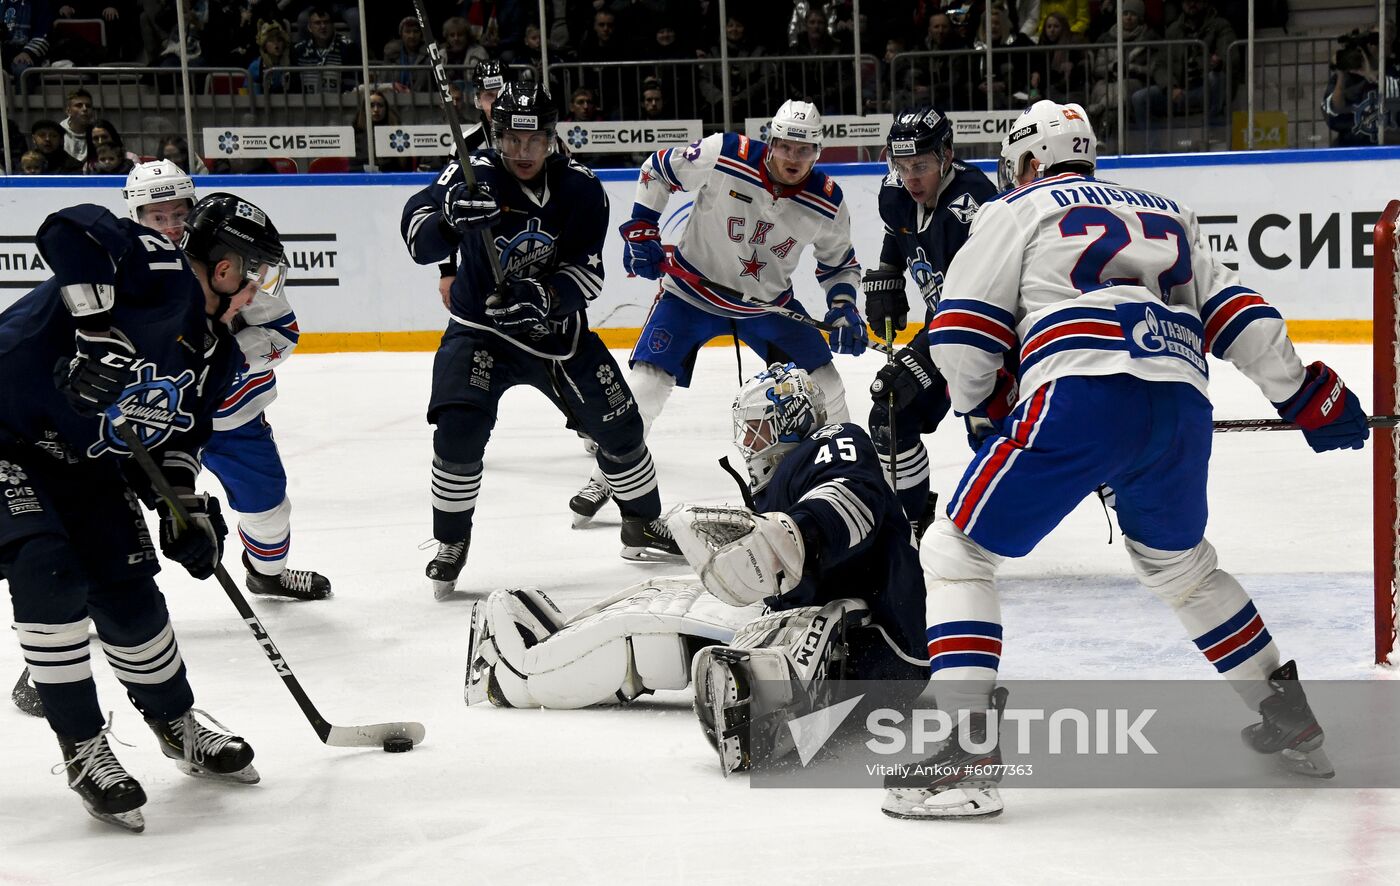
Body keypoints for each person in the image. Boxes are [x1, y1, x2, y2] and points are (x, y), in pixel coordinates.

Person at [877, 101, 1363, 820]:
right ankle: (1287, 714)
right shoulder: (1167, 210)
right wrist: (1304, 394)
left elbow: (963, 337)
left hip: (1078, 393)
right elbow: (1242, 319)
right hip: (1178, 405)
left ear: (1031, 161)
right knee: (1182, 567)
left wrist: (983, 408)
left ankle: (963, 754)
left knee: (957, 550)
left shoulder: (1015, 209)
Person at [465, 363, 928, 774]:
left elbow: (852, 499)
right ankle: (530, 663)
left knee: (822, 620)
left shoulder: (836, 441)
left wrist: (798, 534)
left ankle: (769, 708)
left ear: (789, 423)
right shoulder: (790, 473)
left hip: (887, 645)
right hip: (850, 632)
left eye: (757, 430)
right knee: (659, 607)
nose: (748, 443)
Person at [0, 191, 287, 831]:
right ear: (223, 267)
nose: (258, 291)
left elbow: (178, 439)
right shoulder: (152, 262)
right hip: (5, 437)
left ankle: (174, 721)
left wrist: (182, 505)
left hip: (83, 460)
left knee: (129, 588)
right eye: (256, 273)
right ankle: (81, 746)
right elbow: (67, 228)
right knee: (49, 569)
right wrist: (93, 331)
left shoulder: (213, 353)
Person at [400, 81, 683, 601]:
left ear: (552, 137)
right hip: (481, 332)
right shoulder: (470, 176)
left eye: (535, 140)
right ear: (495, 134)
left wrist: (544, 296)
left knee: (621, 428)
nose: (523, 151)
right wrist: (448, 218)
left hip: (557, 335)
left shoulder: (580, 188)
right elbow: (419, 238)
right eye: (511, 139)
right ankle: (451, 542)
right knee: (458, 432)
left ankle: (642, 522)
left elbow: (590, 273)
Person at [566, 100, 866, 528]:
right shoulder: (726, 153)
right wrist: (642, 229)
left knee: (827, 386)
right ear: (771, 142)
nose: (793, 158)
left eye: (804, 150)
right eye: (785, 147)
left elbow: (839, 265)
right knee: (646, 388)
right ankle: (606, 476)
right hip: (689, 294)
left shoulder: (827, 201)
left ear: (818, 152)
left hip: (767, 306)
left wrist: (842, 307)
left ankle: (851, 476)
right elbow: (658, 169)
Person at [123, 160, 331, 601]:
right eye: (156, 218)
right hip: (151, 422)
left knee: (269, 508)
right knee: (113, 516)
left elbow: (281, 336)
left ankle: (267, 574)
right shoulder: (126, 271)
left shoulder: (232, 258)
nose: (170, 227)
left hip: (231, 416)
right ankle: (93, 598)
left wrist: (222, 359)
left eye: (178, 215)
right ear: (136, 218)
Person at [863, 107, 997, 535]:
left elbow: (992, 293)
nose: (910, 178)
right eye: (901, 166)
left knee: (995, 435)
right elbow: (895, 229)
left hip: (990, 335)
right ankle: (911, 526)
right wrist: (888, 273)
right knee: (890, 412)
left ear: (947, 155)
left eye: (920, 165)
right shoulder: (896, 191)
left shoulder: (975, 204)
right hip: (944, 332)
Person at [60, 88, 95, 163]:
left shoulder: (98, 133)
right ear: (68, 111)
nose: (85, 109)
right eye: (79, 105)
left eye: (88, 106)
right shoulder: (58, 133)